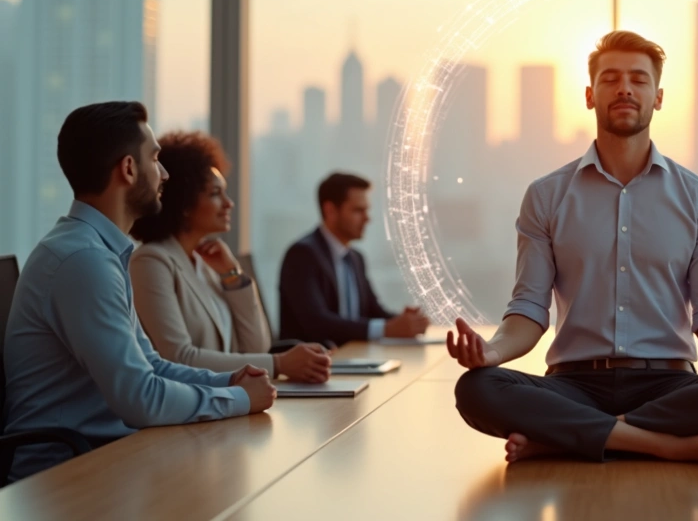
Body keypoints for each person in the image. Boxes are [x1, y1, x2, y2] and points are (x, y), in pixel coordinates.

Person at [449, 31, 698, 469]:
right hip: (573, 384)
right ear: (591, 96)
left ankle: (569, 437)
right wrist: (491, 352)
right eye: (611, 79)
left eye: (639, 79)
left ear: (659, 96)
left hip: (669, 384)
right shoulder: (546, 196)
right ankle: (663, 445)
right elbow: (529, 308)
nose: (625, 88)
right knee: (477, 389)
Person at [3, 102, 275, 482]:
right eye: (156, 159)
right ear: (129, 169)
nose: (163, 173)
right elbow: (141, 399)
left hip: (108, 460)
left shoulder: (99, 252)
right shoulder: (83, 260)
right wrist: (241, 399)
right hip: (66, 478)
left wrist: (227, 382)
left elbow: (153, 366)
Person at [129, 131, 331, 383]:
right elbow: (178, 358)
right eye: (215, 193)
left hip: (226, 404)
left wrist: (232, 275)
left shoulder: (208, 266)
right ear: (184, 202)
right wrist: (280, 363)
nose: (229, 203)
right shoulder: (150, 263)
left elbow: (255, 347)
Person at [278, 173, 430, 346]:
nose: (367, 218)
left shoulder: (355, 258)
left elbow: (372, 311)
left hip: (353, 357)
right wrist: (387, 329)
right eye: (358, 210)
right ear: (330, 211)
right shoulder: (303, 255)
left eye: (367, 210)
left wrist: (406, 322)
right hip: (315, 365)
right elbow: (317, 322)